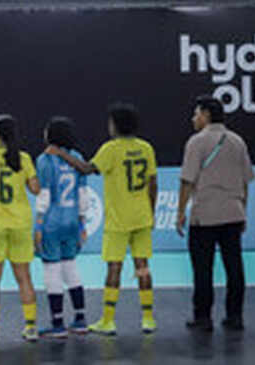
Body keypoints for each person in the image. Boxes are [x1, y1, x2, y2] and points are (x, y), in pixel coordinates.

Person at [47, 103, 158, 336]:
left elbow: (86, 169)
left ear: (116, 125)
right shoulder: (146, 147)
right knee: (143, 266)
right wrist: (151, 212)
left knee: (114, 267)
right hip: (142, 216)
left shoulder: (111, 149)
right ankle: (148, 318)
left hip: (119, 220)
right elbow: (153, 183)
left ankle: (108, 320)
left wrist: (62, 154)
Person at [177, 96, 255, 332]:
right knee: (234, 267)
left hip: (205, 215)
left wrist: (180, 211)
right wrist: (244, 211)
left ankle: (203, 318)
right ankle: (235, 316)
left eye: (196, 114)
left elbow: (187, 180)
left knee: (203, 268)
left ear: (206, 115)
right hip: (233, 213)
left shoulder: (196, 142)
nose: (194, 118)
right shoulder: (238, 141)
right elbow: (245, 182)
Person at [0, 113, 40, 343]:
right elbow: (35, 189)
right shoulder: (23, 158)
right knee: (24, 277)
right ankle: (31, 327)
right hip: (21, 223)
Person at [34, 117, 91, 339]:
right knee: (71, 267)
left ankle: (57, 323)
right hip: (72, 221)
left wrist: (38, 225)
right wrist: (82, 223)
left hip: (52, 221)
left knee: (52, 270)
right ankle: (80, 319)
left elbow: (44, 196)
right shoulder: (76, 158)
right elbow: (83, 194)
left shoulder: (45, 159)